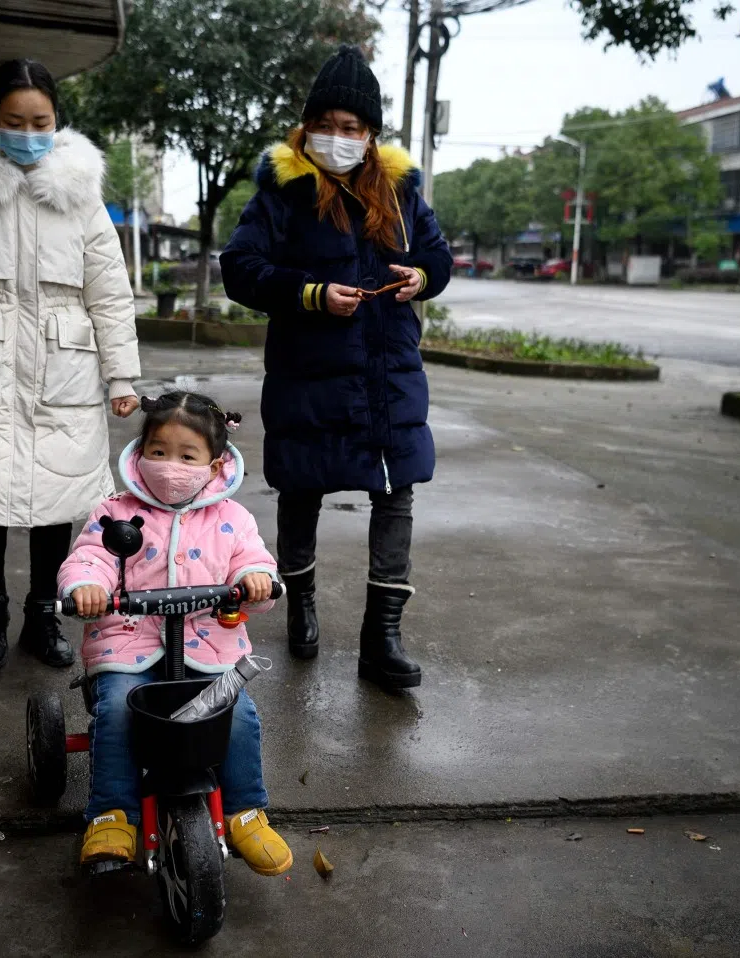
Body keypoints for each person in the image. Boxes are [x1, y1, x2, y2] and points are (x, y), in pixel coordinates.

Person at [220, 44, 452, 691]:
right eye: (329, 124)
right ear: (308, 126)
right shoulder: (283, 190)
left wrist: (422, 276)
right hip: (308, 373)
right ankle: (301, 603)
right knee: (301, 492)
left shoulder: (402, 192)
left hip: (388, 372)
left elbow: (439, 255)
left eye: (353, 128)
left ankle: (382, 637)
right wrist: (310, 293)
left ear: (372, 135)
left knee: (395, 492)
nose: (340, 138)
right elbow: (240, 268)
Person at [0, 59, 140, 672]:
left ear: (58, 121)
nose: (28, 131)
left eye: (41, 120)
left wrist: (121, 375)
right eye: (15, 120)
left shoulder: (81, 194)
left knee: (54, 507)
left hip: (61, 369)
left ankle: (43, 617)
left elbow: (108, 291)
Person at [58, 392, 291, 876]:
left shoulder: (232, 518)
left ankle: (246, 810)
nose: (170, 466)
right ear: (141, 451)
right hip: (128, 642)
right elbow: (91, 557)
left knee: (239, 717)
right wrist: (86, 586)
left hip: (209, 647)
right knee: (118, 712)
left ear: (214, 464)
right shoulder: (115, 511)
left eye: (187, 456)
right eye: (159, 452)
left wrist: (254, 581)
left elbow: (254, 561)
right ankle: (111, 813)